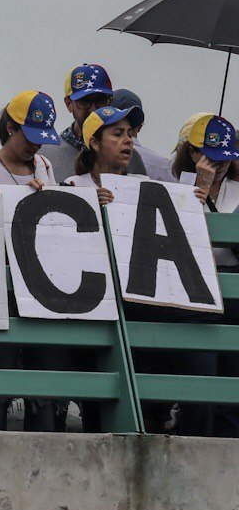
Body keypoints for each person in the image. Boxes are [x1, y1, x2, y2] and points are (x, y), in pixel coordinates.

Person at [0, 91, 67, 432]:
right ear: (11, 128)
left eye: (41, 139)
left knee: (45, 381)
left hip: (38, 282)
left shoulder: (45, 166)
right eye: (29, 136)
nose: (34, 147)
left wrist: (47, 196)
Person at [158, 113, 239, 437]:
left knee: (232, 397)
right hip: (194, 298)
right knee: (200, 389)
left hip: (234, 300)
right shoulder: (173, 189)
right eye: (212, 157)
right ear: (193, 153)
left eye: (225, 159)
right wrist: (199, 191)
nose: (219, 166)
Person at [48, 64, 147, 183]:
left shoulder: (131, 158)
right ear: (68, 104)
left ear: (110, 102)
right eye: (85, 101)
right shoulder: (46, 157)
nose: (93, 109)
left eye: (101, 100)